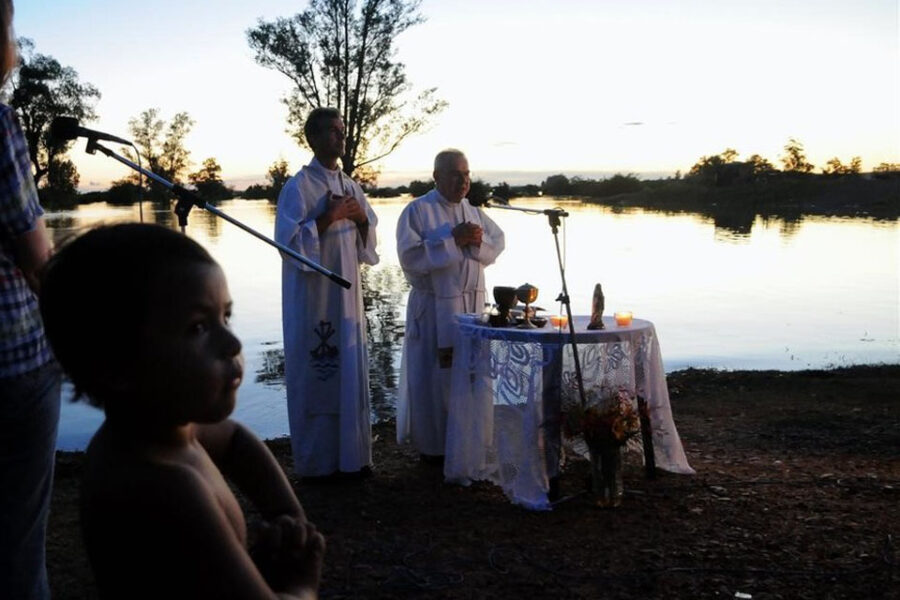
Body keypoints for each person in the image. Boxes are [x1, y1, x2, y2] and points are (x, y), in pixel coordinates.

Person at [38, 223, 325, 600]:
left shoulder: (172, 430)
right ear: (116, 366)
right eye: (198, 328)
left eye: (226, 317)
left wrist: (285, 514)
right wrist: (299, 583)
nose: (233, 342)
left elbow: (236, 439)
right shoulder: (163, 487)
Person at [275, 108, 379, 479]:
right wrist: (329, 217)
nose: (341, 137)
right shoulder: (298, 186)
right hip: (313, 299)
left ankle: (353, 458)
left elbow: (369, 248)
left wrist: (361, 218)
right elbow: (286, 245)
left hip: (346, 295)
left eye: (342, 130)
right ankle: (318, 464)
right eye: (333, 131)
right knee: (318, 374)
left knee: (349, 371)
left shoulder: (351, 185)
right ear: (313, 138)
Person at [0, 1, 63, 598]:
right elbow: (36, 254)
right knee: (16, 544)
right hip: (11, 360)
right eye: (13, 30)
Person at [395, 149, 505, 461]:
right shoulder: (418, 210)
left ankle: (472, 440)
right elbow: (410, 258)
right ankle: (436, 448)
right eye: (456, 174)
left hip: (471, 306)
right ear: (437, 177)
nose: (463, 181)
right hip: (434, 308)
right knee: (435, 377)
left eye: (467, 174)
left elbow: (497, 242)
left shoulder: (473, 211)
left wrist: (475, 243)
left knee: (471, 374)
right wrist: (451, 239)